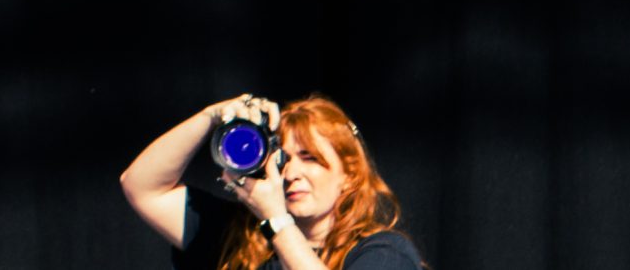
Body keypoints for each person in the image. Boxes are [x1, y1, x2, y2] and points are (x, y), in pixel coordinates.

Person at [120, 93, 426, 269]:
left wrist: (276, 220)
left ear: (349, 176)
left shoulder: (384, 253)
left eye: (310, 158)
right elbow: (142, 186)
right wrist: (212, 116)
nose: (291, 174)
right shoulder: (241, 237)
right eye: (283, 160)